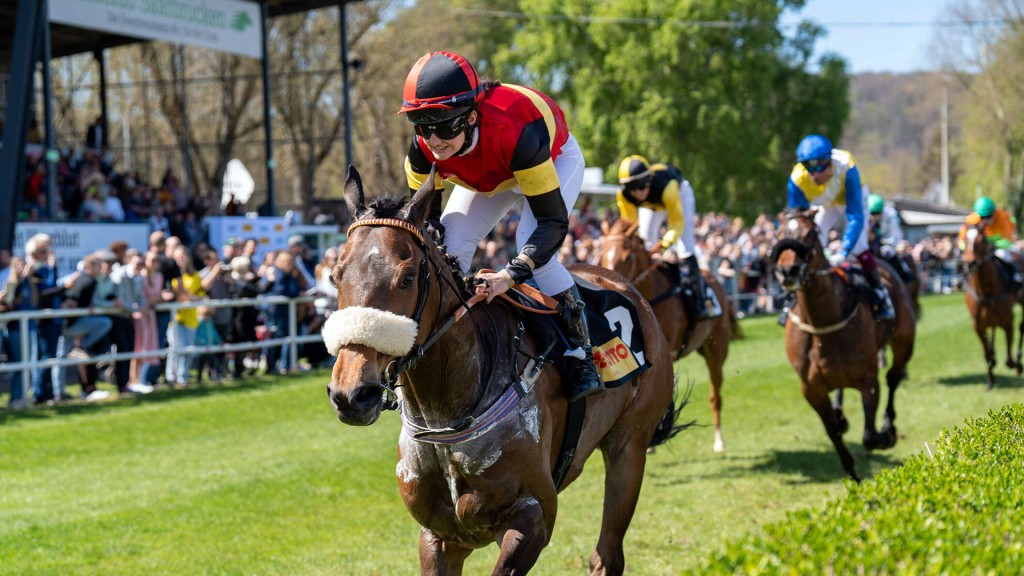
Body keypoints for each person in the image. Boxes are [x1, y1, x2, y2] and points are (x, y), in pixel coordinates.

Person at [398, 50, 602, 401]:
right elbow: (427, 221)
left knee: (530, 240)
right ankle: (441, 350)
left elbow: (552, 223)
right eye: (422, 125)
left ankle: (581, 354)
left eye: (443, 125)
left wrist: (510, 275)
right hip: (491, 173)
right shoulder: (422, 149)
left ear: (471, 117)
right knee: (450, 246)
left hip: (551, 157)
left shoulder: (516, 131)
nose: (432, 140)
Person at [787, 134, 895, 320]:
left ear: (830, 162)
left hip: (851, 201)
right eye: (808, 167)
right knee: (810, 243)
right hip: (827, 204)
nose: (815, 174)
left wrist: (843, 252)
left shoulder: (847, 167)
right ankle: (793, 297)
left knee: (860, 246)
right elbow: (799, 220)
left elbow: (855, 217)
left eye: (820, 166)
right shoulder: (796, 180)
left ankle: (881, 295)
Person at [616, 154, 719, 320]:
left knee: (685, 246)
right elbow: (630, 226)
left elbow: (677, 224)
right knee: (645, 240)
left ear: (649, 179)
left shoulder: (668, 187)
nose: (638, 193)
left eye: (642, 186)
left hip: (678, 195)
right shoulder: (623, 196)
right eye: (632, 188)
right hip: (653, 206)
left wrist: (664, 245)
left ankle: (701, 300)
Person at [958, 196, 1023, 287]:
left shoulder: (1003, 217)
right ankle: (963, 277)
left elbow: (1007, 240)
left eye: (988, 217)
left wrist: (991, 243)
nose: (985, 221)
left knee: (1005, 255)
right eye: (983, 217)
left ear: (994, 213)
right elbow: (962, 238)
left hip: (1000, 245)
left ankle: (1017, 275)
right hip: (981, 246)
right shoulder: (971, 220)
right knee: (966, 257)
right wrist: (965, 248)